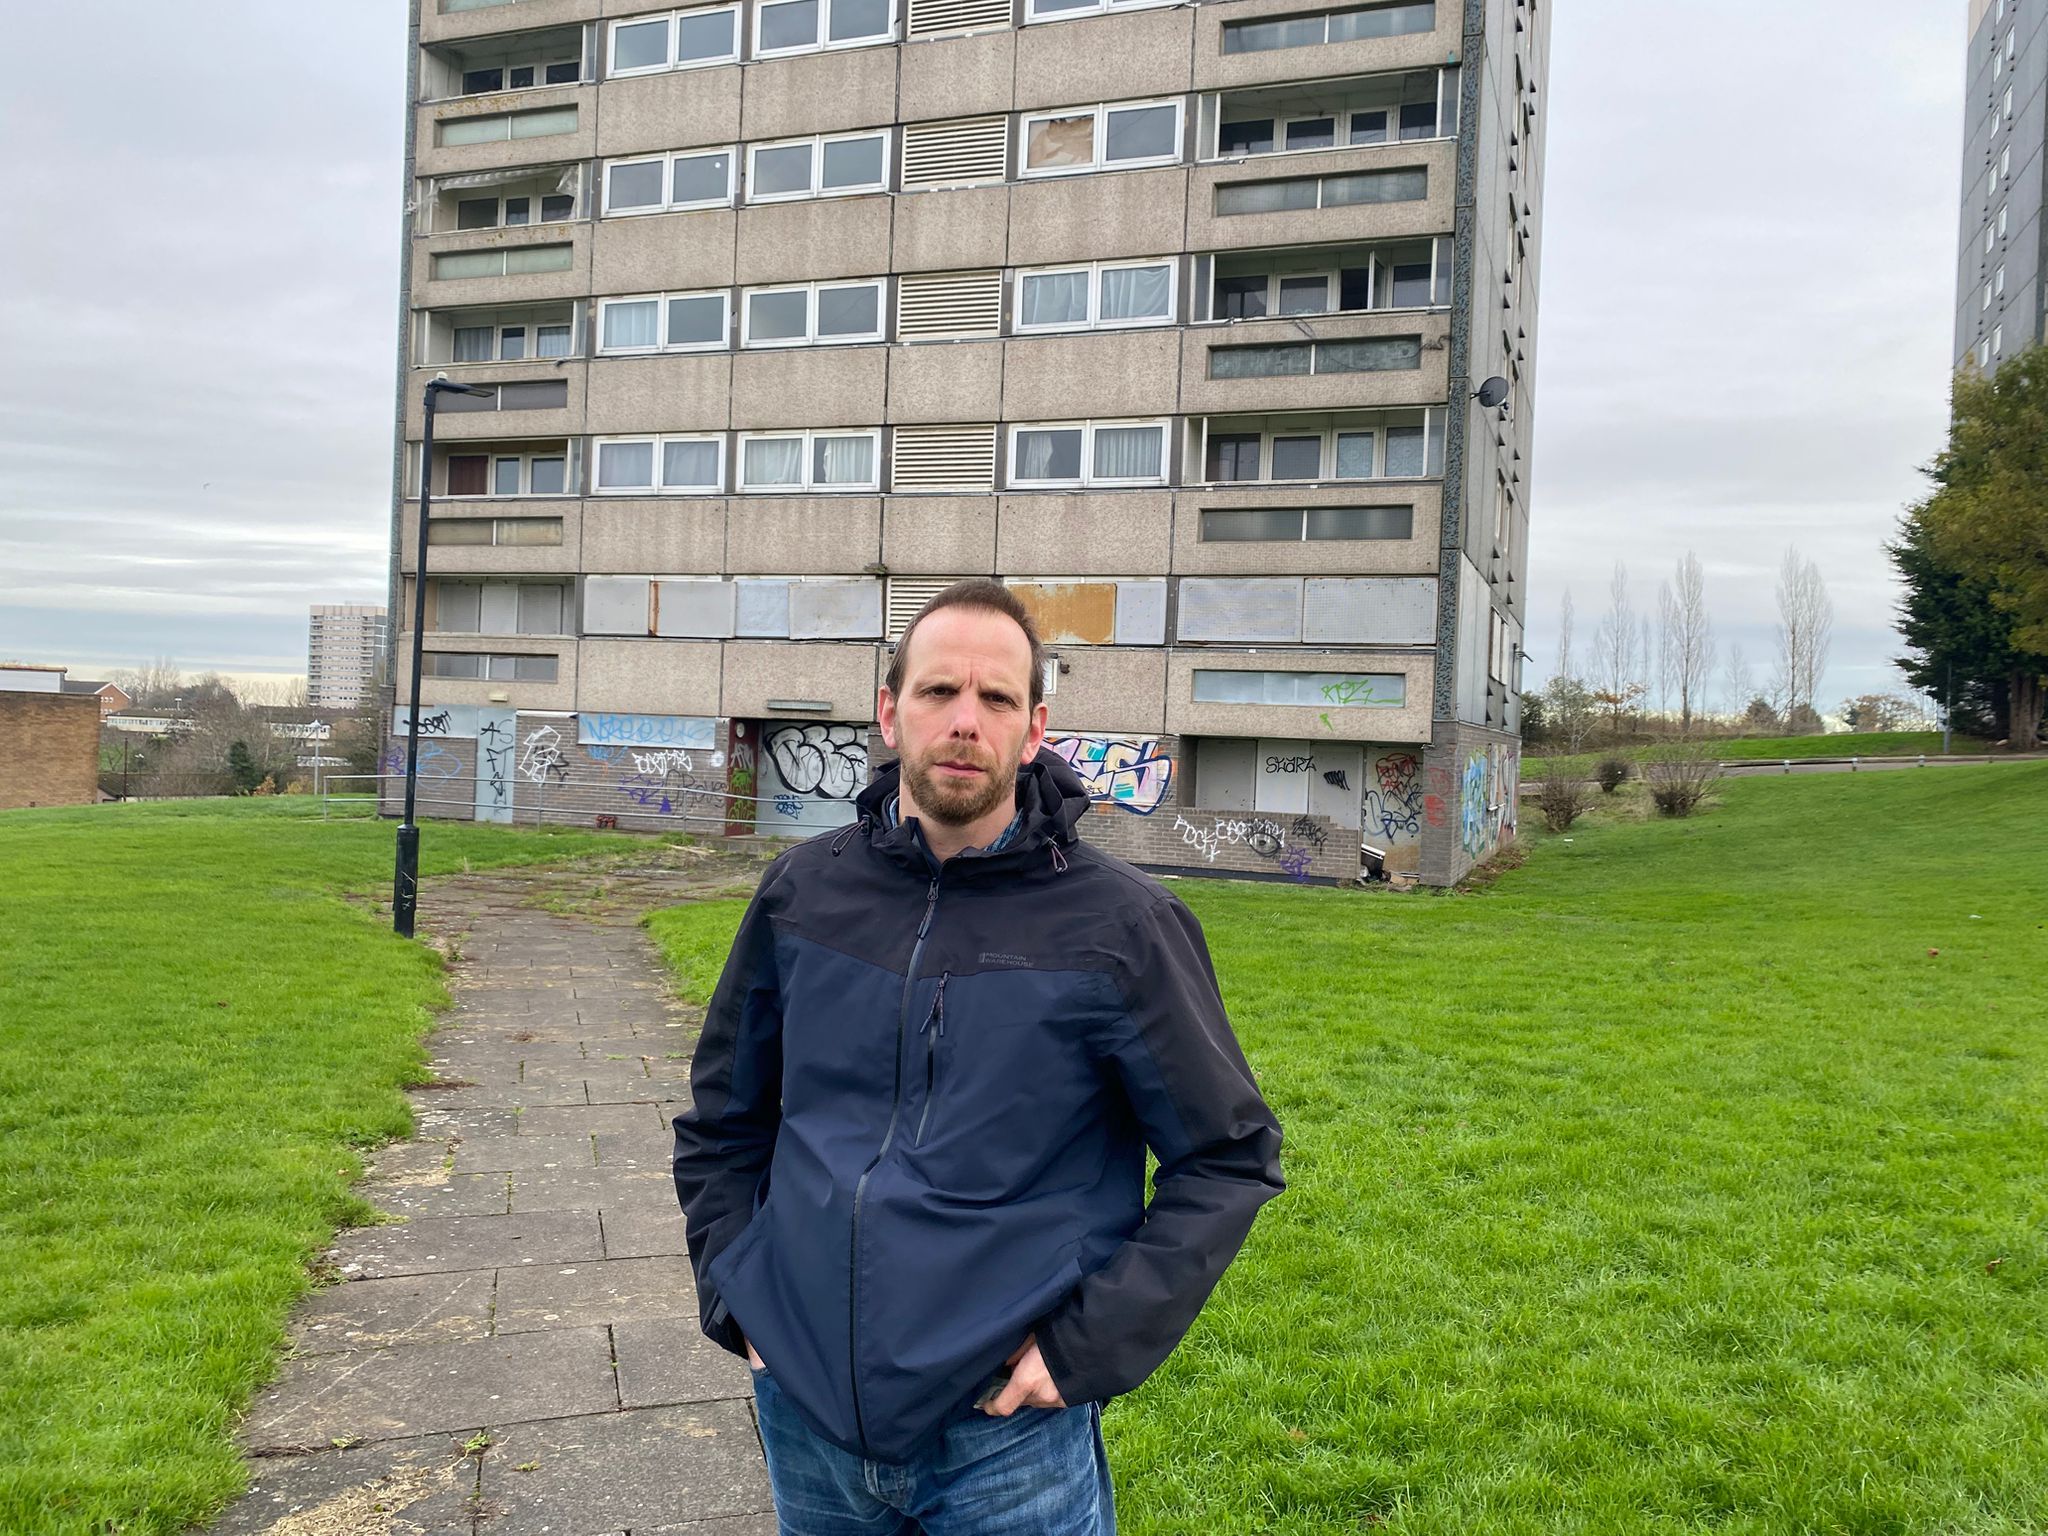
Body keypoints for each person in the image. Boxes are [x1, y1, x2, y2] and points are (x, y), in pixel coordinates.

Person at [673, 579, 1284, 1535]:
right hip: (803, 1413)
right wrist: (734, 1291)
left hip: (1004, 1438)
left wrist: (1086, 1349)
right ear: (890, 713)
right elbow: (724, 1119)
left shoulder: (1122, 927)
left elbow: (1228, 1157)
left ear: (1034, 729)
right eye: (938, 691)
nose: (966, 721)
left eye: (996, 698)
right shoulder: (802, 894)